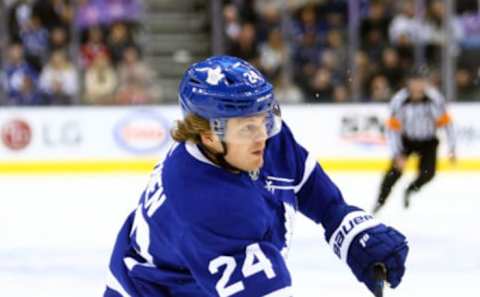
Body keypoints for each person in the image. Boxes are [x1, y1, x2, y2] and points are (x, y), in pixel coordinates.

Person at [104, 56, 408, 297]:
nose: (262, 135)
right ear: (208, 136)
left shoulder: (256, 136)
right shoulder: (209, 203)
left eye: (264, 118)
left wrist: (343, 222)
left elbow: (304, 183)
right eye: (248, 127)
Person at [373, 70, 456, 214]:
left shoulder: (435, 99)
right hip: (407, 141)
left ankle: (411, 189)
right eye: (415, 82)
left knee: (428, 173)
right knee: (392, 174)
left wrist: (452, 147)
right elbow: (392, 130)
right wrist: (397, 154)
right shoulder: (399, 100)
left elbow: (447, 124)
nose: (418, 86)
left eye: (421, 82)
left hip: (428, 141)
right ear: (409, 83)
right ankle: (379, 202)